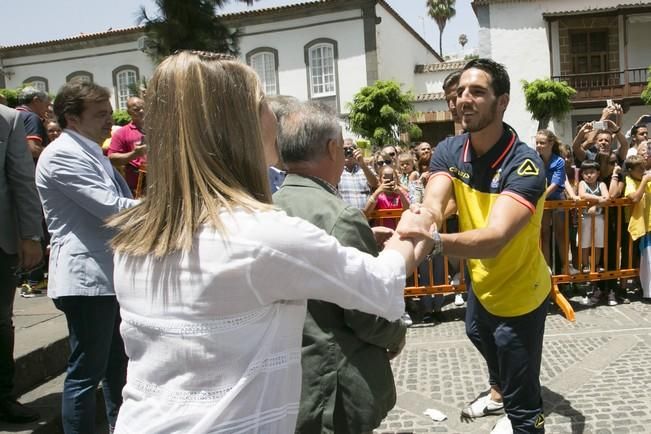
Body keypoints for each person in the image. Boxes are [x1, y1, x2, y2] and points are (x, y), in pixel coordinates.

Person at [106, 51, 431, 434]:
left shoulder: (138, 234)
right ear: (239, 125)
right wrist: (409, 236)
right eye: (264, 104)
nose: (275, 119)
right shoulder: (258, 233)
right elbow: (379, 286)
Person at [398, 58, 550, 434]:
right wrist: (420, 218)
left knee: (525, 404)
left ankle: (522, 419)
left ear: (502, 102)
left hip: (520, 296)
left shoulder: (525, 164)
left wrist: (433, 243)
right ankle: (497, 393)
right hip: (481, 286)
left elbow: (495, 239)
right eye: (462, 91)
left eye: (478, 92)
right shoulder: (450, 150)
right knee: (477, 333)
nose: (465, 99)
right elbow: (434, 203)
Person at [272, 101, 406, 434]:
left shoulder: (266, 207)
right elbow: (366, 313)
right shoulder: (340, 216)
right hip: (333, 390)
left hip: (285, 384)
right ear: (333, 148)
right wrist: (397, 333)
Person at [35, 81, 137, 433]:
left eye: (109, 112)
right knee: (87, 373)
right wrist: (167, 206)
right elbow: (110, 208)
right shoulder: (63, 153)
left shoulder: (90, 149)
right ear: (72, 118)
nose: (109, 120)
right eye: (100, 114)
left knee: (115, 368)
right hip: (86, 279)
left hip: (106, 274)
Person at [0, 104, 43, 424]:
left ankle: (3, 397)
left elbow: (22, 179)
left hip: (1, 242)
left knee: (1, 322)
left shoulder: (8, 119)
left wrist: (30, 234)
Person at [535, 130, 569, 273]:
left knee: (561, 235)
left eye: (542, 143)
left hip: (556, 200)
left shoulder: (559, 161)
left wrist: (540, 198)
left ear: (551, 143)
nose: (538, 146)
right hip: (543, 202)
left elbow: (556, 184)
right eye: (537, 142)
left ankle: (566, 266)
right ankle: (546, 268)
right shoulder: (534, 159)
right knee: (544, 234)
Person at [624, 155, 651, 300]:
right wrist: (644, 181)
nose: (643, 170)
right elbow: (634, 197)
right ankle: (645, 289)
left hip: (650, 224)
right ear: (630, 170)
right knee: (644, 259)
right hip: (640, 226)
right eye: (639, 168)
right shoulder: (630, 180)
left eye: (644, 167)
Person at [108, 96, 147, 193]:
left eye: (144, 107)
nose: (141, 111)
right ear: (129, 112)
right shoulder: (122, 133)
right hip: (137, 186)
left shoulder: (159, 128)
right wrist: (134, 154)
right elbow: (111, 159)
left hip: (162, 180)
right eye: (136, 109)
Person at [338, 138, 378, 209]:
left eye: (351, 149)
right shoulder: (336, 170)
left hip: (366, 216)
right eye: (344, 149)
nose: (348, 151)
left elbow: (375, 184)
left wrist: (363, 165)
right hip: (346, 216)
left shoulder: (366, 168)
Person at [15, 87, 50, 160]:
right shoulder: (32, 117)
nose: (47, 109)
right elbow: (33, 150)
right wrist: (54, 152)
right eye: (46, 105)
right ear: (36, 100)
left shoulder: (13, 114)